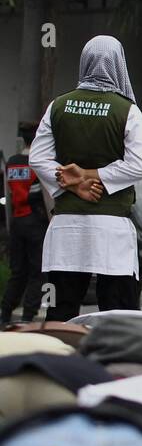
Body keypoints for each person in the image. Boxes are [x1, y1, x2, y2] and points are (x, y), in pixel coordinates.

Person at [28, 35, 142, 320]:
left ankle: (58, 362)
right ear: (120, 65)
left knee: (61, 313)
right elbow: (139, 166)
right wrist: (93, 177)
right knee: (119, 314)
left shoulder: (58, 106)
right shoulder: (128, 111)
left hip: (67, 227)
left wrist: (75, 182)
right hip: (112, 230)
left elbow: (38, 158)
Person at [2, 122, 50, 323]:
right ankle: (28, 316)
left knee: (17, 271)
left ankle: (5, 313)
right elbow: (47, 197)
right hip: (36, 221)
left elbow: (8, 194)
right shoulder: (39, 163)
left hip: (17, 221)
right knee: (37, 272)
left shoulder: (12, 162)